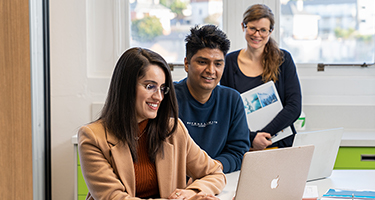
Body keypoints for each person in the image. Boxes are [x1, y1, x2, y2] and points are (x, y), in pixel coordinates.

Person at [78, 47, 225, 200]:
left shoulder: (173, 130)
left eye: (162, 88)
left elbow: (215, 173)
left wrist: (192, 192)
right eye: (150, 86)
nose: (159, 97)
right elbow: (114, 197)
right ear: (126, 87)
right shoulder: (92, 137)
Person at [221, 4, 302, 150]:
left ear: (270, 31)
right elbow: (227, 111)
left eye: (263, 30)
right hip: (245, 145)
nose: (257, 34)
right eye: (252, 28)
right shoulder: (228, 62)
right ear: (243, 27)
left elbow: (294, 107)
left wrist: (264, 135)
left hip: (281, 145)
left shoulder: (284, 60)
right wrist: (252, 138)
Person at [174, 25, 250, 173]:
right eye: (202, 62)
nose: (211, 70)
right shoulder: (167, 98)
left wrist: (211, 168)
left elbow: (239, 152)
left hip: (218, 178)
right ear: (186, 64)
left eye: (218, 64)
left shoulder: (232, 100)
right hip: (177, 182)